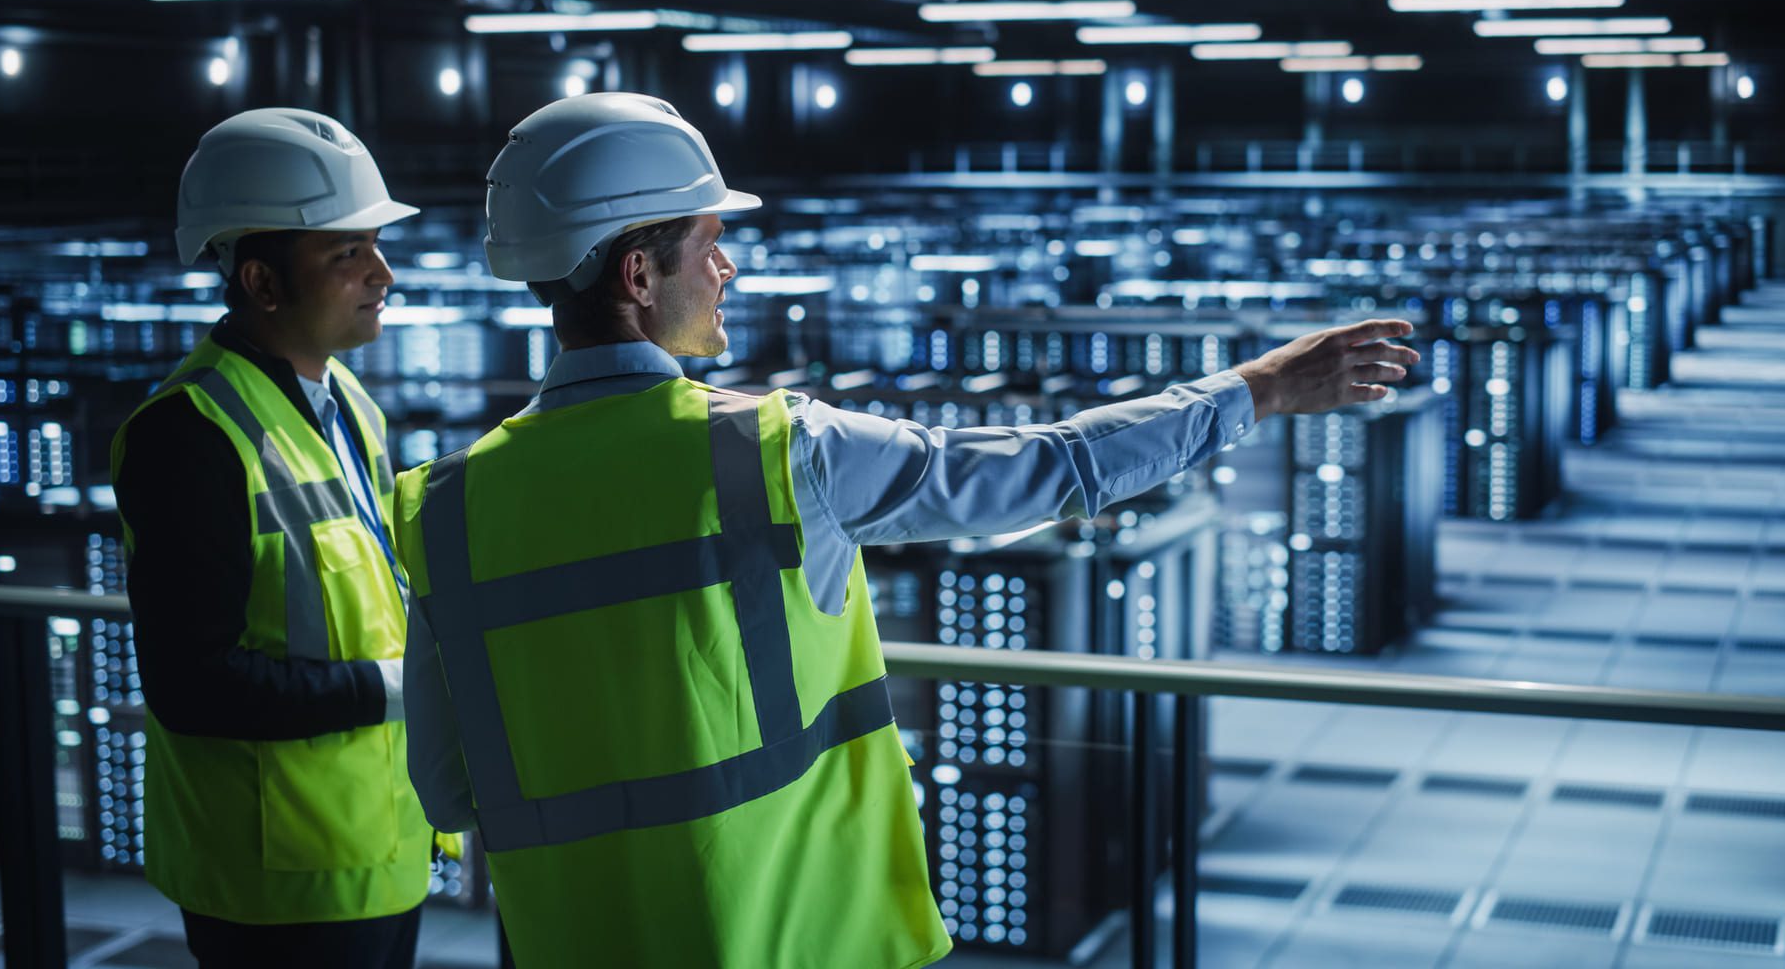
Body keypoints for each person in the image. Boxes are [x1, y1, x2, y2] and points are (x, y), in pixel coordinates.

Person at [392, 92, 1418, 968]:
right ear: (637, 274)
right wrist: (1254, 392)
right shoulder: (775, 452)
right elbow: (1048, 468)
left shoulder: (446, 506)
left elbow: (446, 783)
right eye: (711, 243)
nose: (731, 269)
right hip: (795, 940)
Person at [112, 108, 436, 968]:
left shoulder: (350, 406)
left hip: (378, 848)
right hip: (276, 888)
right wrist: (391, 688)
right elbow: (192, 684)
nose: (383, 275)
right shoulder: (190, 433)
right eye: (347, 254)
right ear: (261, 281)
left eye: (375, 247)